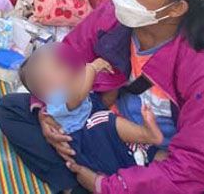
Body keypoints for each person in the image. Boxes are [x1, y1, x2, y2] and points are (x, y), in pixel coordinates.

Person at [0, 0, 204, 193]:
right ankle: (78, 182)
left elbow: (194, 164)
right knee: (12, 108)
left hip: (160, 157)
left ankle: (93, 183)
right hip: (105, 127)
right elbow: (65, 59)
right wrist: (46, 114)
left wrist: (108, 186)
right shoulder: (112, 15)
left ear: (176, 8)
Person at [19, 45, 169, 176]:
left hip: (98, 131)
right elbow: (79, 96)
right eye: (59, 67)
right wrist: (92, 68)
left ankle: (165, 161)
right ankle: (146, 133)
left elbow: (102, 102)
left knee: (149, 151)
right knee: (105, 120)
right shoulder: (56, 101)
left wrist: (113, 85)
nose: (68, 67)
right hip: (86, 139)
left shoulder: (73, 88)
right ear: (45, 87)